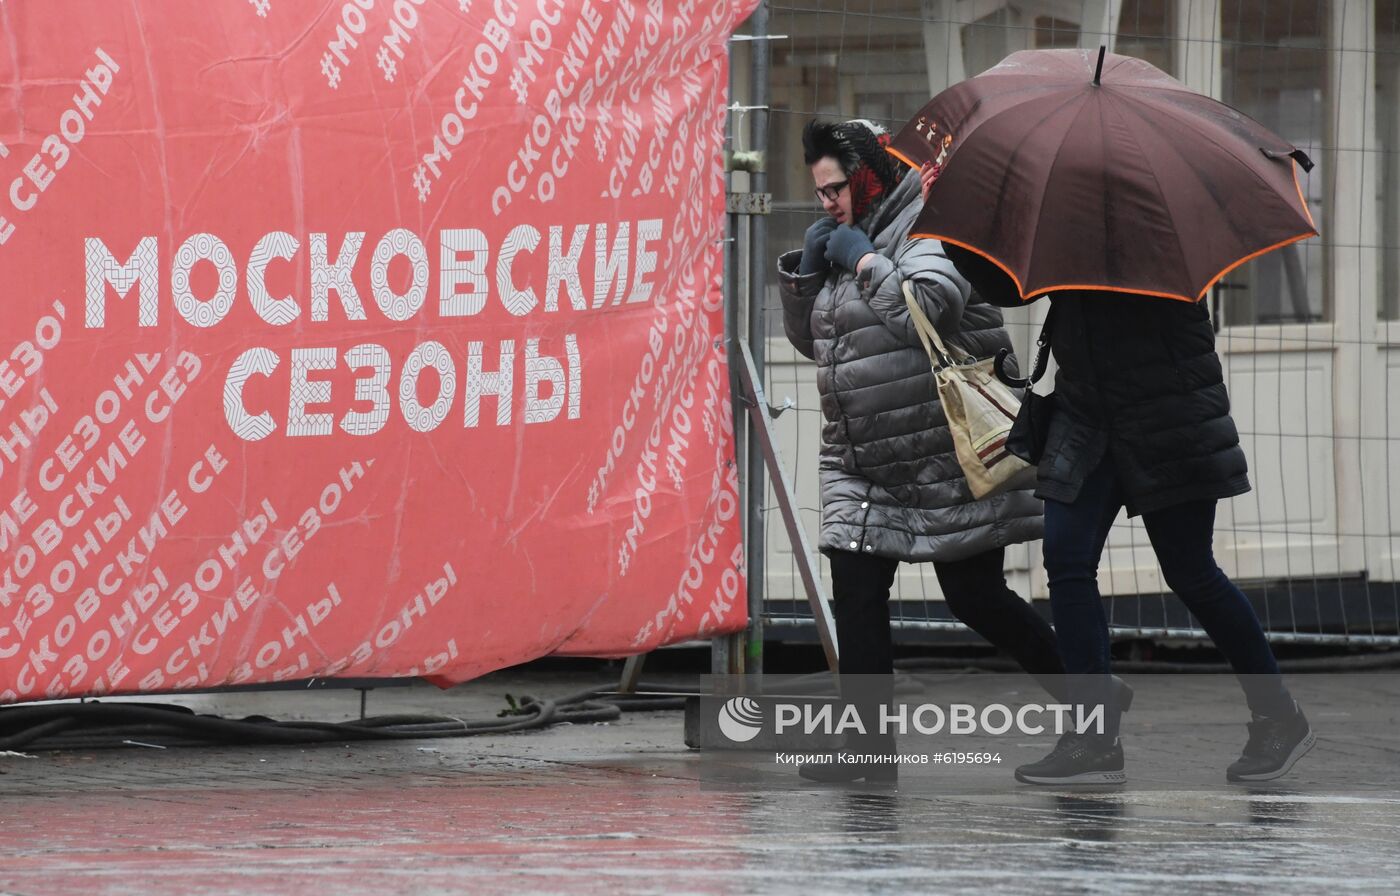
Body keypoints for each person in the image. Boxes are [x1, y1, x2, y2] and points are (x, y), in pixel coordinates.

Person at [938, 172, 1316, 785]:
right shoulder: (1072, 223)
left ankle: (1279, 716)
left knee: (1192, 573)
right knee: (1065, 559)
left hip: (1168, 421)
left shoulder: (1166, 229)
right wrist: (956, 226)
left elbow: (1160, 332)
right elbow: (1011, 288)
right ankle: (1092, 741)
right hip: (1089, 422)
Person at [777, 119, 1069, 784]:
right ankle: (869, 755)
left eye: (837, 189)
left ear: (870, 175)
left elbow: (928, 309)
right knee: (855, 589)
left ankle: (1090, 698)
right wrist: (806, 275)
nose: (828, 203)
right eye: (819, 193)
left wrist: (863, 260)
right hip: (861, 458)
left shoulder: (930, 224)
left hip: (945, 453)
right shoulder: (852, 238)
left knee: (975, 597)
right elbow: (820, 344)